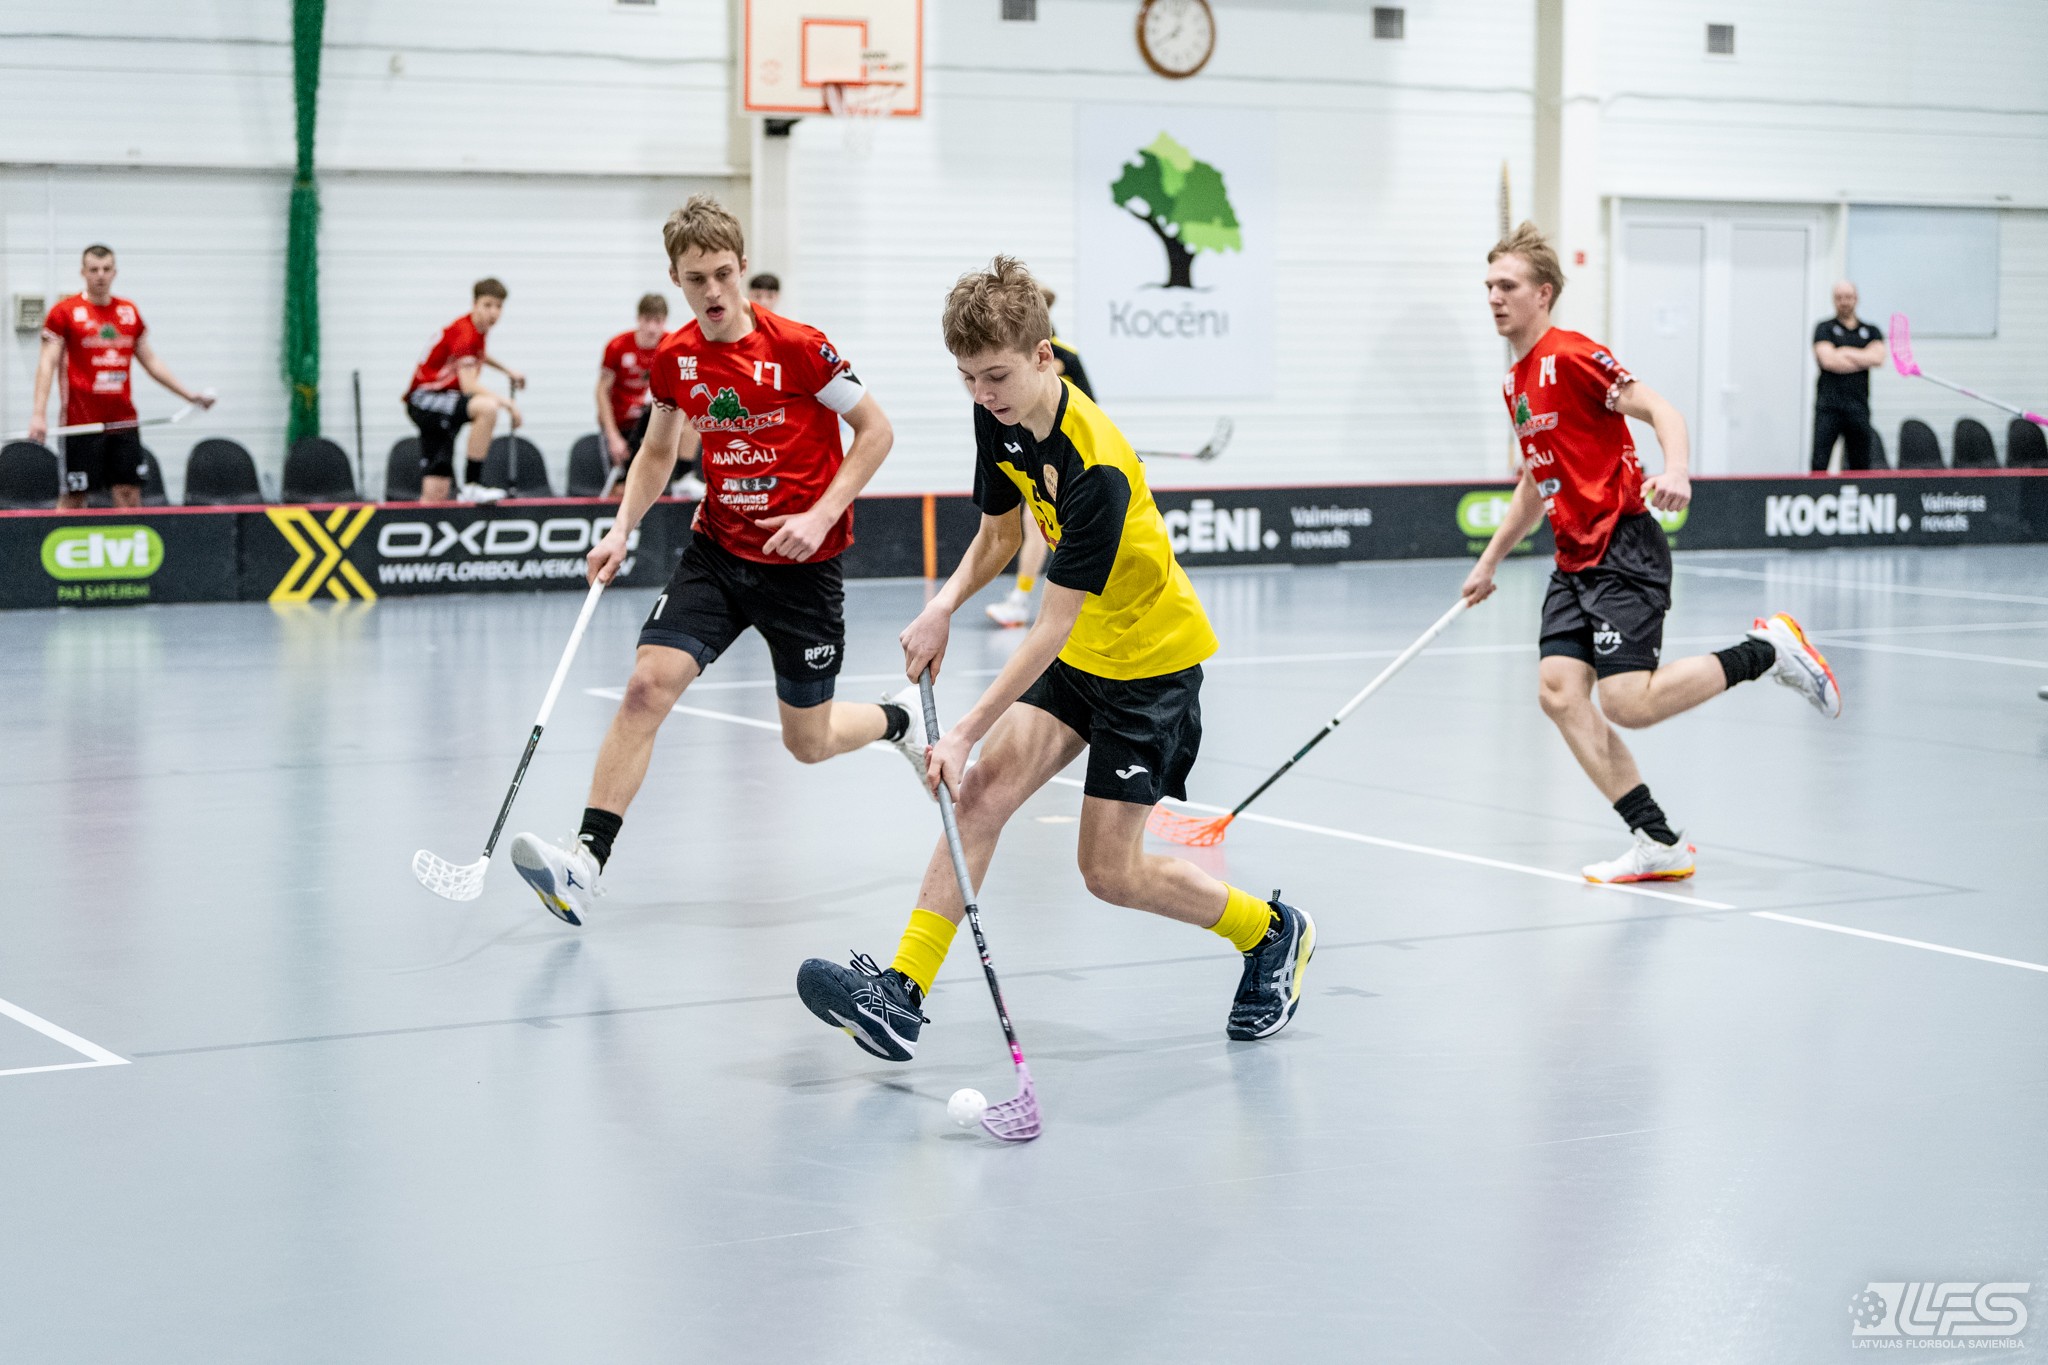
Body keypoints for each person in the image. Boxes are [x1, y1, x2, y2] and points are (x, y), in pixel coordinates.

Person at [795, 256, 1314, 1062]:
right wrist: (942, 605)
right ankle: (901, 994)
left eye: (996, 375)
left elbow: (1050, 627)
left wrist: (964, 728)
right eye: (968, 378)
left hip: (1148, 667)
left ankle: (1271, 931)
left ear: (1045, 356)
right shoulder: (996, 413)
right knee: (980, 797)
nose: (982, 393)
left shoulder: (1095, 466)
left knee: (1109, 872)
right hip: (1086, 650)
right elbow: (1000, 534)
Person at [509, 195, 921, 926]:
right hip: (719, 552)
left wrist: (821, 513)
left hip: (803, 566)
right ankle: (585, 862)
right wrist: (620, 529)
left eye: (724, 274)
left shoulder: (800, 347)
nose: (713, 292)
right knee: (646, 687)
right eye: (696, 278)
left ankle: (898, 721)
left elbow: (877, 431)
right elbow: (657, 452)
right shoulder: (675, 359)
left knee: (809, 742)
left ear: (741, 267)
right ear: (676, 278)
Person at [1462, 224, 1843, 884]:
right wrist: (1489, 561)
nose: (1494, 297)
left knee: (1627, 704)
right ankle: (1656, 840)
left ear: (1543, 293)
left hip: (1622, 545)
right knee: (1559, 693)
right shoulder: (1514, 382)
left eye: (1508, 285)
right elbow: (1534, 481)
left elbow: (1660, 408)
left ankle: (1767, 651)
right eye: (1489, 286)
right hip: (1573, 560)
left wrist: (1679, 469)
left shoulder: (1574, 355)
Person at [29, 244, 214, 509]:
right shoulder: (65, 312)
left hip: (123, 422)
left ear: (115, 272)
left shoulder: (128, 312)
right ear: (83, 272)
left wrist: (189, 395)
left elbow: (151, 361)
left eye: (106, 269)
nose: (100, 275)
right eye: (94, 269)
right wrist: (38, 414)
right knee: (75, 497)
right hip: (81, 423)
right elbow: (47, 364)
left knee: (129, 494)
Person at [986, 287, 1093, 628]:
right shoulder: (1012, 352)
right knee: (1040, 527)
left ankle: (1022, 601)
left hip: (1070, 461)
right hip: (1036, 458)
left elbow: (1090, 407)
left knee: (1037, 525)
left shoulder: (1061, 355)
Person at [404, 278, 525, 503]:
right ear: (474, 304)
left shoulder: (474, 330)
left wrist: (507, 371)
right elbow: (469, 386)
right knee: (487, 408)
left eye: (499, 306)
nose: (493, 312)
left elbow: (480, 355)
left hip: (439, 402)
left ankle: (430, 511)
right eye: (487, 305)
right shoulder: (466, 333)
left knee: (437, 487)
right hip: (426, 399)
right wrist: (507, 403)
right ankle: (472, 484)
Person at [596, 293, 696, 500]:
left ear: (664, 321)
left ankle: (683, 476)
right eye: (647, 321)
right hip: (624, 425)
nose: (652, 328)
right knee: (623, 490)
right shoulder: (617, 346)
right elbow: (601, 392)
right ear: (638, 319)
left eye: (657, 321)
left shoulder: (672, 345)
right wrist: (613, 436)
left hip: (656, 420)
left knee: (693, 414)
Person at [1811, 282, 1887, 474]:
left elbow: (1878, 358)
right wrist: (1862, 357)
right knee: (1819, 462)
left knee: (1860, 464)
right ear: (1834, 300)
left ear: (1856, 299)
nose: (1844, 302)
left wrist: (1843, 351)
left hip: (1858, 406)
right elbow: (1828, 361)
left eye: (1848, 297)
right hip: (1828, 407)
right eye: (1839, 298)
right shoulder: (1824, 328)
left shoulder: (1871, 330)